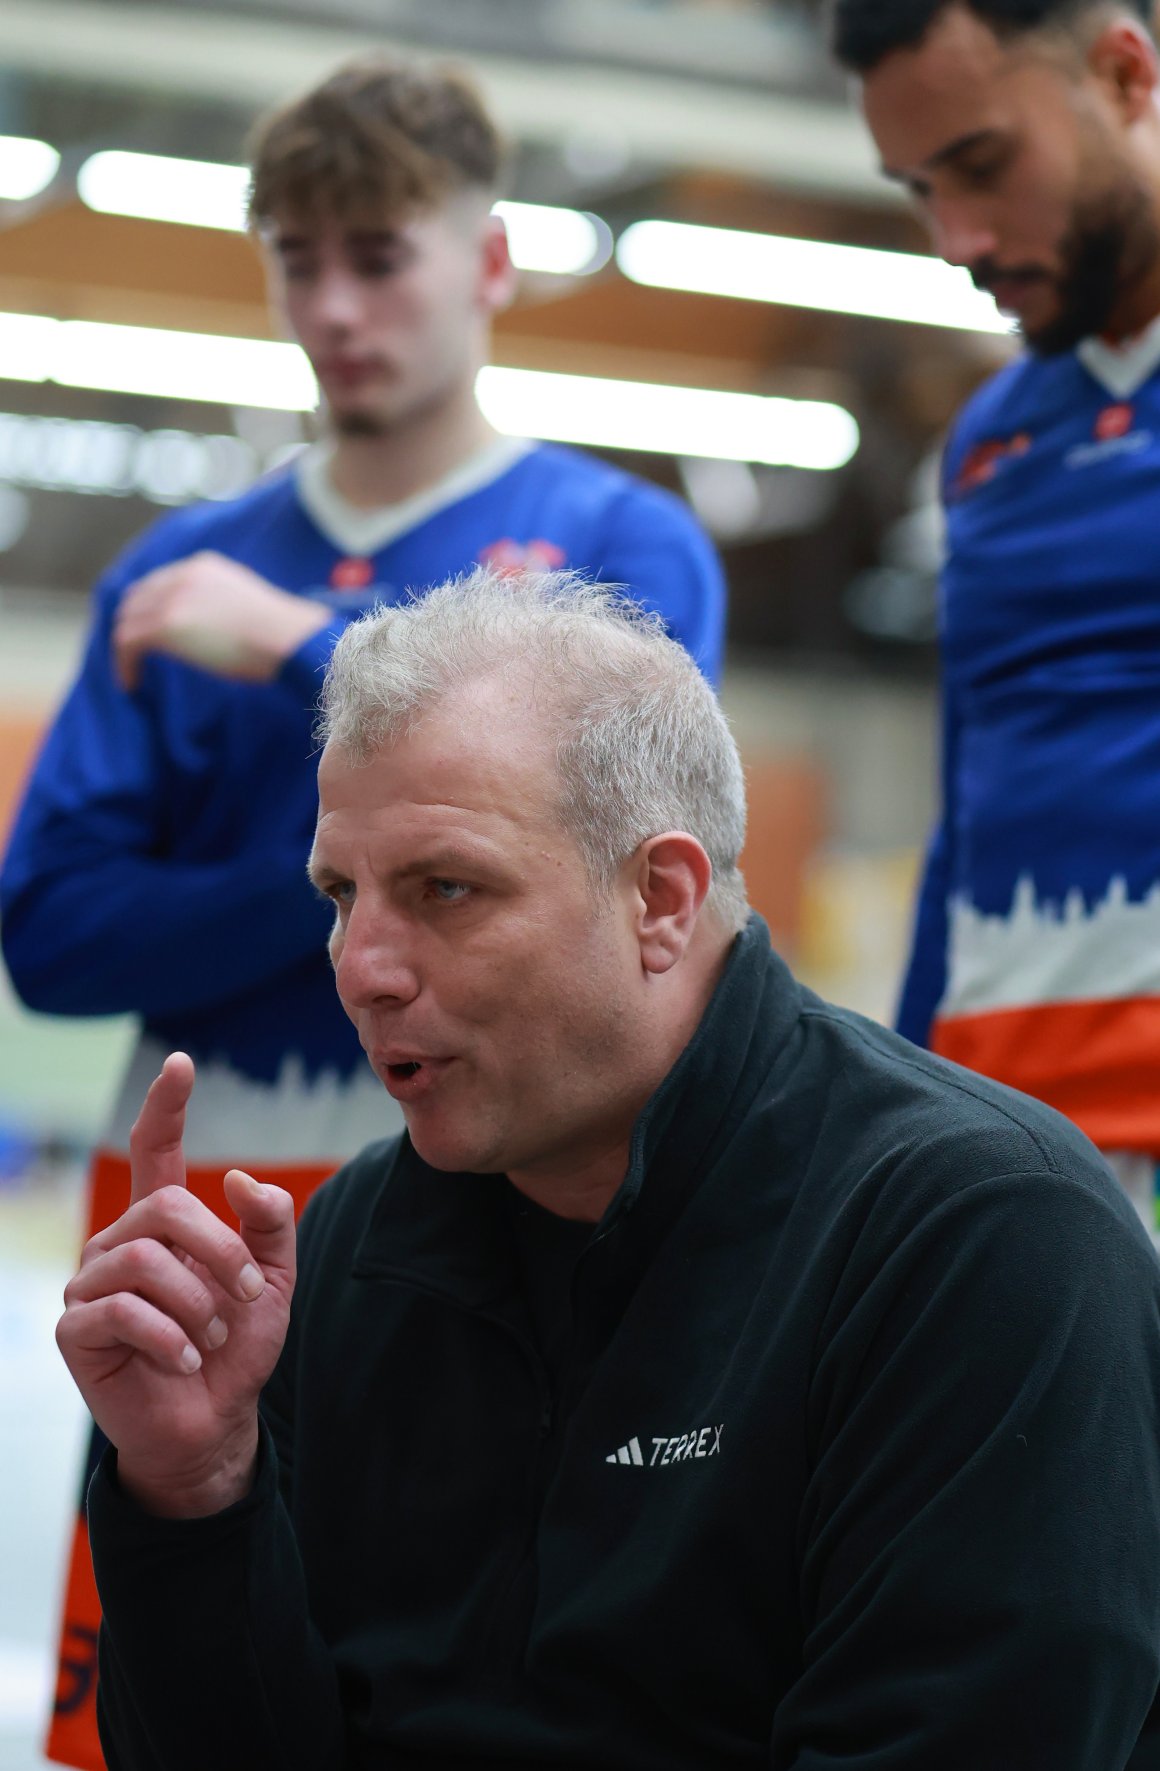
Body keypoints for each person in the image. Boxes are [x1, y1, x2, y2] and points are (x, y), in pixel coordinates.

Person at [56, 568, 1160, 1769]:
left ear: (661, 899)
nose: (359, 966)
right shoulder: (352, 1246)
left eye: (444, 889)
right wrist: (195, 1489)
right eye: (339, 893)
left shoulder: (977, 1238)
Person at [1, 58, 725, 1771]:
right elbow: (55, 930)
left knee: (460, 1659)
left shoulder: (619, 541)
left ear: (487, 262)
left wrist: (291, 650)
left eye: (380, 255)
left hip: (510, 1189)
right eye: (295, 257)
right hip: (202, 1178)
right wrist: (413, 892)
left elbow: (639, 882)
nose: (334, 306)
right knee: (177, 1649)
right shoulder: (166, 566)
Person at [829, 0, 1160, 1237]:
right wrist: (903, 1105)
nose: (955, 238)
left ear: (1122, 74)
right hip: (1015, 1124)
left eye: (981, 164)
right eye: (917, 188)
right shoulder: (984, 443)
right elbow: (964, 808)